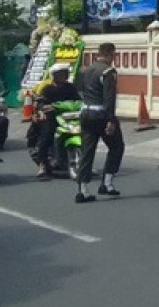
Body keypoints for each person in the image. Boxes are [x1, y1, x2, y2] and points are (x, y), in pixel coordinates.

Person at [75, 43, 125, 203]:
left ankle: (83, 190)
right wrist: (111, 120)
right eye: (114, 55)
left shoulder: (86, 70)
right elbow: (109, 97)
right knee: (117, 146)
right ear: (110, 54)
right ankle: (107, 183)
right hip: (101, 115)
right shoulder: (108, 71)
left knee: (87, 151)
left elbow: (80, 90)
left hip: (85, 113)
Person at [33, 63, 81, 179]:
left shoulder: (70, 87)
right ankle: (42, 164)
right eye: (59, 74)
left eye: (64, 73)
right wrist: (44, 108)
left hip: (69, 116)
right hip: (52, 117)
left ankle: (85, 163)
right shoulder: (47, 89)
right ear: (53, 75)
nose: (62, 76)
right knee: (47, 134)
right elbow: (41, 102)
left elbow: (78, 101)